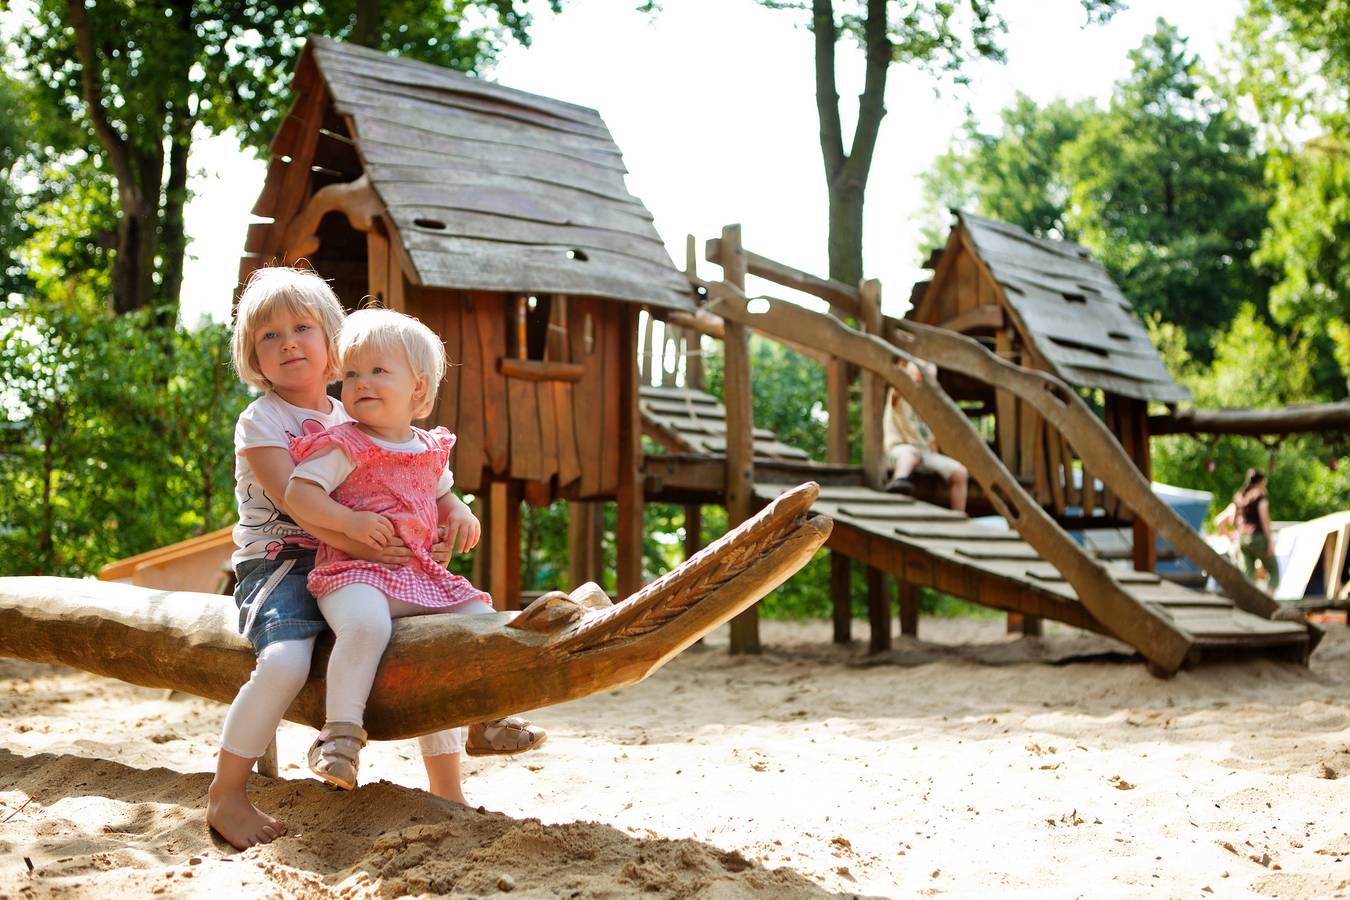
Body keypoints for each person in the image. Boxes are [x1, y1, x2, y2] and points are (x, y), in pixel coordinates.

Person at [207, 269, 540, 851]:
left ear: (333, 341)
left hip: (364, 560)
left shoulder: (353, 414)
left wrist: (432, 529)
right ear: (253, 357)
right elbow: (297, 500)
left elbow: (413, 483)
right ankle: (226, 794)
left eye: (303, 327)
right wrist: (364, 536)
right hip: (283, 563)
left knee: (440, 644)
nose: (288, 342)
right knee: (285, 662)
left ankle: (447, 787)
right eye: (269, 336)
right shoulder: (262, 421)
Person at [285, 307, 534, 805]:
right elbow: (299, 495)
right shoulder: (344, 444)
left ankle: (483, 725)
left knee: (480, 622)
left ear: (417, 390)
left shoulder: (426, 447)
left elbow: (444, 497)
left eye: (378, 370)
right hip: (353, 575)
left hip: (416, 576)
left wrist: (462, 516)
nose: (361, 382)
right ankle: (339, 736)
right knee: (367, 627)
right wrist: (350, 523)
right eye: (352, 373)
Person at [883, 360, 968, 513]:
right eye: (920, 377)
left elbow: (932, 436)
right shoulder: (898, 394)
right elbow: (898, 376)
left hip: (923, 453)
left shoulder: (930, 404)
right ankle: (899, 484)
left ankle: (959, 515)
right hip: (899, 450)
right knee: (910, 454)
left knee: (960, 472)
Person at [1219, 468, 1280, 591]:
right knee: (1274, 572)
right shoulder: (1260, 495)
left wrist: (1239, 532)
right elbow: (1265, 520)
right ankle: (1267, 601)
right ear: (1261, 481)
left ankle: (1248, 601)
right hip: (1257, 537)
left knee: (1248, 575)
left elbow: (1233, 521)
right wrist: (1270, 542)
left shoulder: (1241, 495)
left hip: (1243, 540)